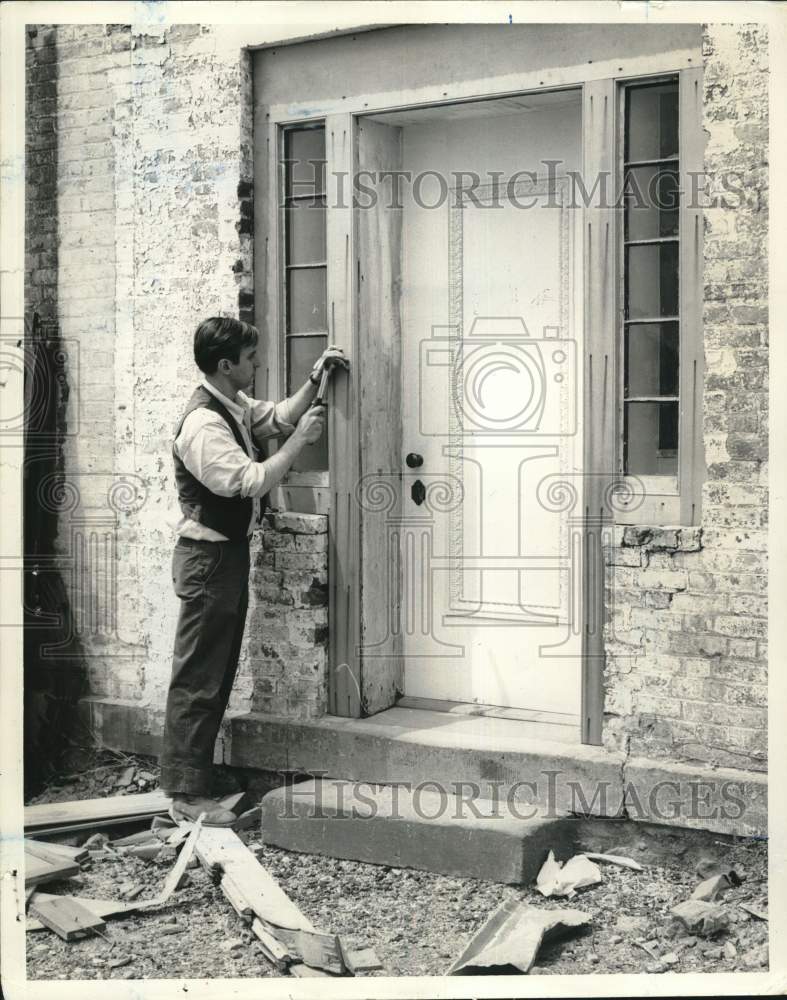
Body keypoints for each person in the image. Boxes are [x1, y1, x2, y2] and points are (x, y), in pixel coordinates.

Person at [160, 316, 348, 825]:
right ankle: (184, 794)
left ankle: (193, 781)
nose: (256, 362)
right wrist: (299, 444)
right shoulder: (202, 425)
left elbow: (276, 417)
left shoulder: (231, 404)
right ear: (226, 366)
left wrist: (315, 382)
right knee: (198, 676)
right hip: (208, 562)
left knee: (215, 672)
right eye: (248, 357)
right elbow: (250, 481)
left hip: (226, 556)